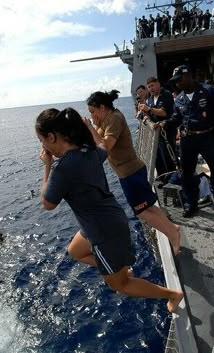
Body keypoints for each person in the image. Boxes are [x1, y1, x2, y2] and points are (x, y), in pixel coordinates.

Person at [35, 107, 183, 312]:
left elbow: (47, 204)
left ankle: (172, 295)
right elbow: (103, 145)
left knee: (119, 286)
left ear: (51, 137)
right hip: (107, 219)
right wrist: (89, 127)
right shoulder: (88, 151)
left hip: (103, 232)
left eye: (41, 140)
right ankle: (119, 269)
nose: (42, 145)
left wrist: (47, 165)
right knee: (75, 251)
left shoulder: (62, 169)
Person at [85, 90, 181, 255]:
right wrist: (94, 126)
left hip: (130, 173)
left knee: (141, 211)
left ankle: (173, 235)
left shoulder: (114, 119)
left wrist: (90, 127)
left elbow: (105, 146)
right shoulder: (108, 119)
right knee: (148, 205)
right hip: (130, 172)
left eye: (93, 112)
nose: (93, 115)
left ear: (102, 108)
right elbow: (98, 139)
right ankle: (172, 227)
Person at [160, 65, 214, 219]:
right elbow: (176, 118)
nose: (177, 83)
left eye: (179, 80)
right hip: (187, 139)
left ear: (189, 76)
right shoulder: (179, 99)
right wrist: (165, 123)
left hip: (208, 137)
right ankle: (191, 203)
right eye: (175, 81)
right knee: (187, 174)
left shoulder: (209, 91)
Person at [138, 77, 178, 179]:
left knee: (169, 159)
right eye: (149, 86)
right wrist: (145, 114)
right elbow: (147, 113)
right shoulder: (150, 99)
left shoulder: (166, 95)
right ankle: (163, 179)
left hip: (167, 133)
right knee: (158, 159)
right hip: (156, 135)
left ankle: (173, 180)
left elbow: (163, 112)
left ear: (158, 84)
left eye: (152, 85)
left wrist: (149, 109)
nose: (151, 88)